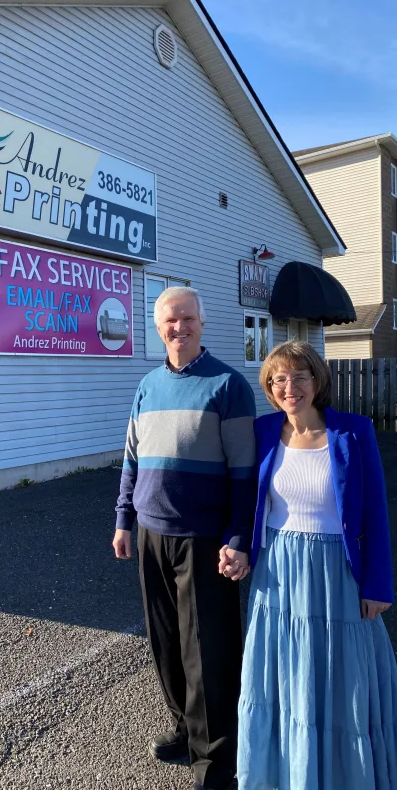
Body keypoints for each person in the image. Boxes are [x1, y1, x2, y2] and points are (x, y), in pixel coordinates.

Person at [220, 340, 397, 790]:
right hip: (278, 572)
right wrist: (236, 545)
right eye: (278, 378)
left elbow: (375, 511)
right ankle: (283, 774)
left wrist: (377, 584)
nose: (289, 386)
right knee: (280, 679)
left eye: (299, 376)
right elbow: (246, 501)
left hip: (337, 571)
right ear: (269, 387)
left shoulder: (354, 431)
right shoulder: (262, 432)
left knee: (343, 678)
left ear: (317, 381)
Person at [113, 286, 257, 790]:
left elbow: (244, 472)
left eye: (188, 319)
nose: (180, 328)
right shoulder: (147, 386)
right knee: (166, 642)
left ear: (202, 322)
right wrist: (123, 520)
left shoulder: (228, 386)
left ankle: (217, 760)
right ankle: (184, 727)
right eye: (170, 321)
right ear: (159, 328)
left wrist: (239, 536)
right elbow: (131, 459)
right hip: (152, 533)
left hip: (204, 539)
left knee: (208, 651)